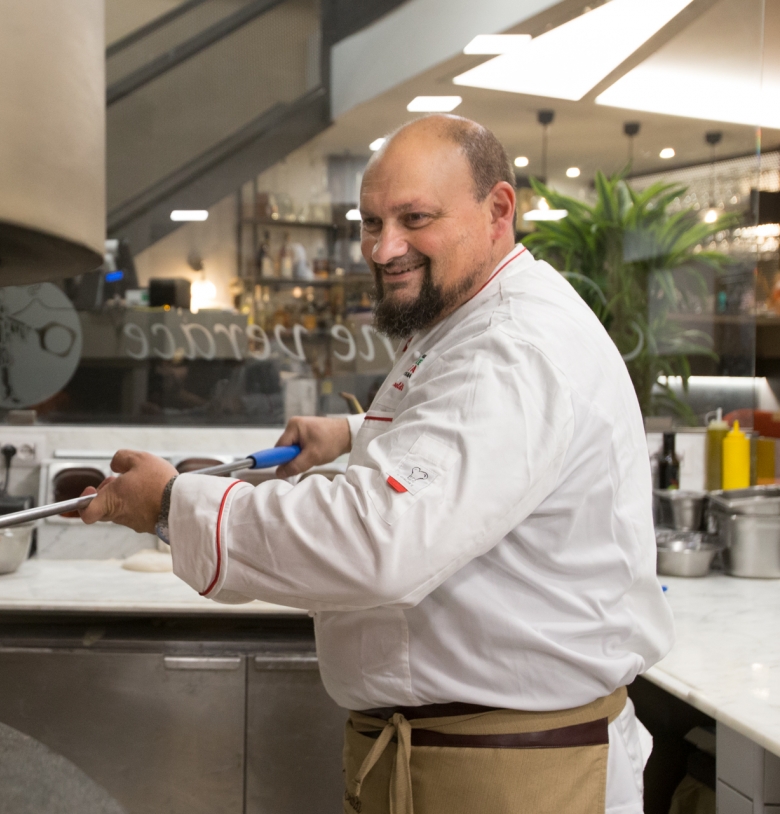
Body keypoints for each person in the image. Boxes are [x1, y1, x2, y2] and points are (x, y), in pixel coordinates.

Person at [80, 114, 674, 814]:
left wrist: (170, 504)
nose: (384, 247)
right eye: (370, 222)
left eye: (415, 218)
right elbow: (469, 445)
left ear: (499, 209)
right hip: (453, 760)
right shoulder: (470, 322)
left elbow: (383, 539)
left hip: (514, 778)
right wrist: (354, 434)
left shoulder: (512, 346)